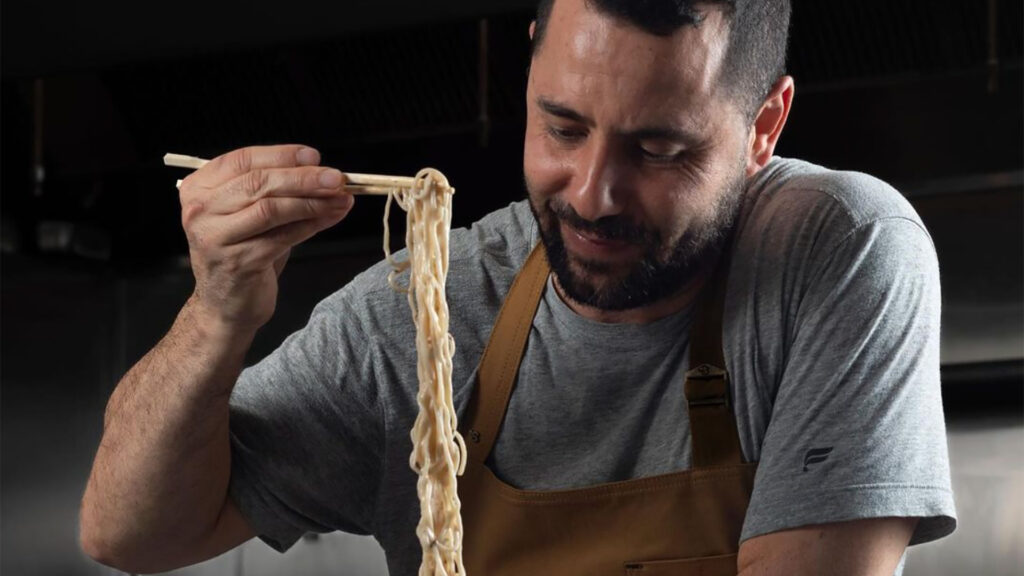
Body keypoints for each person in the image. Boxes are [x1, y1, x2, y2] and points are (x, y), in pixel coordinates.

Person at [80, 0, 957, 574]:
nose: (591, 194)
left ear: (765, 124)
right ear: (531, 66)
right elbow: (130, 532)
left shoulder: (834, 252)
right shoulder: (422, 317)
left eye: (658, 151)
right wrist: (217, 314)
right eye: (563, 126)